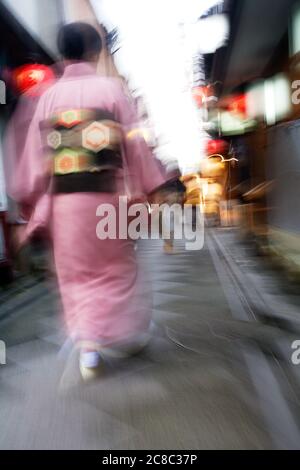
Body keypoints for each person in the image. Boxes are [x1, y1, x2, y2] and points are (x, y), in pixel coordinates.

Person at [6, 22, 167, 380]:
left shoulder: (46, 96)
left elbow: (36, 156)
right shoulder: (111, 89)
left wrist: (30, 197)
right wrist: (149, 186)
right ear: (94, 52)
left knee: (76, 275)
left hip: (66, 203)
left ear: (63, 54)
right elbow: (134, 143)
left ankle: (89, 349)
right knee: (117, 269)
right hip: (108, 195)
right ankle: (125, 333)